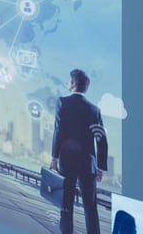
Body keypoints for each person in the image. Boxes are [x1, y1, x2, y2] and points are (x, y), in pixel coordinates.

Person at [51, 69, 108, 234]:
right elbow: (101, 138)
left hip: (67, 160)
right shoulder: (94, 110)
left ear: (73, 83)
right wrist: (100, 166)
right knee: (90, 206)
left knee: (66, 203)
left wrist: (54, 157)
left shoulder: (63, 102)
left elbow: (58, 130)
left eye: (70, 80)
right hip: (87, 163)